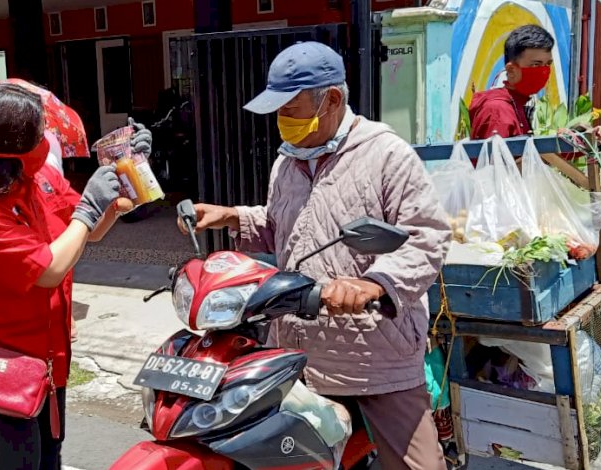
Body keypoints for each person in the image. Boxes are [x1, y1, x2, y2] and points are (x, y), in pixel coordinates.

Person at [181, 42, 451, 470]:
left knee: (419, 466)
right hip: (297, 347)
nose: (282, 119)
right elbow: (283, 227)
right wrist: (231, 217)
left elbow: (427, 236)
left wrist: (375, 283)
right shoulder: (287, 162)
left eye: (292, 107)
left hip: (373, 352)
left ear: (334, 99)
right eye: (279, 109)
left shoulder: (386, 154)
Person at [0, 82, 141, 469]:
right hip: (3, 360)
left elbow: (91, 228)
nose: (46, 141)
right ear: (12, 147)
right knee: (22, 464)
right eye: (38, 134)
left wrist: (129, 166)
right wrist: (88, 209)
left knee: (50, 457)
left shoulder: (34, 181)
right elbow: (49, 269)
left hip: (49, 354)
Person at [468, 25, 555, 140]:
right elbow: (494, 157)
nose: (544, 71)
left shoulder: (519, 103)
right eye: (536, 65)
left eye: (548, 64)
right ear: (511, 70)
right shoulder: (498, 111)